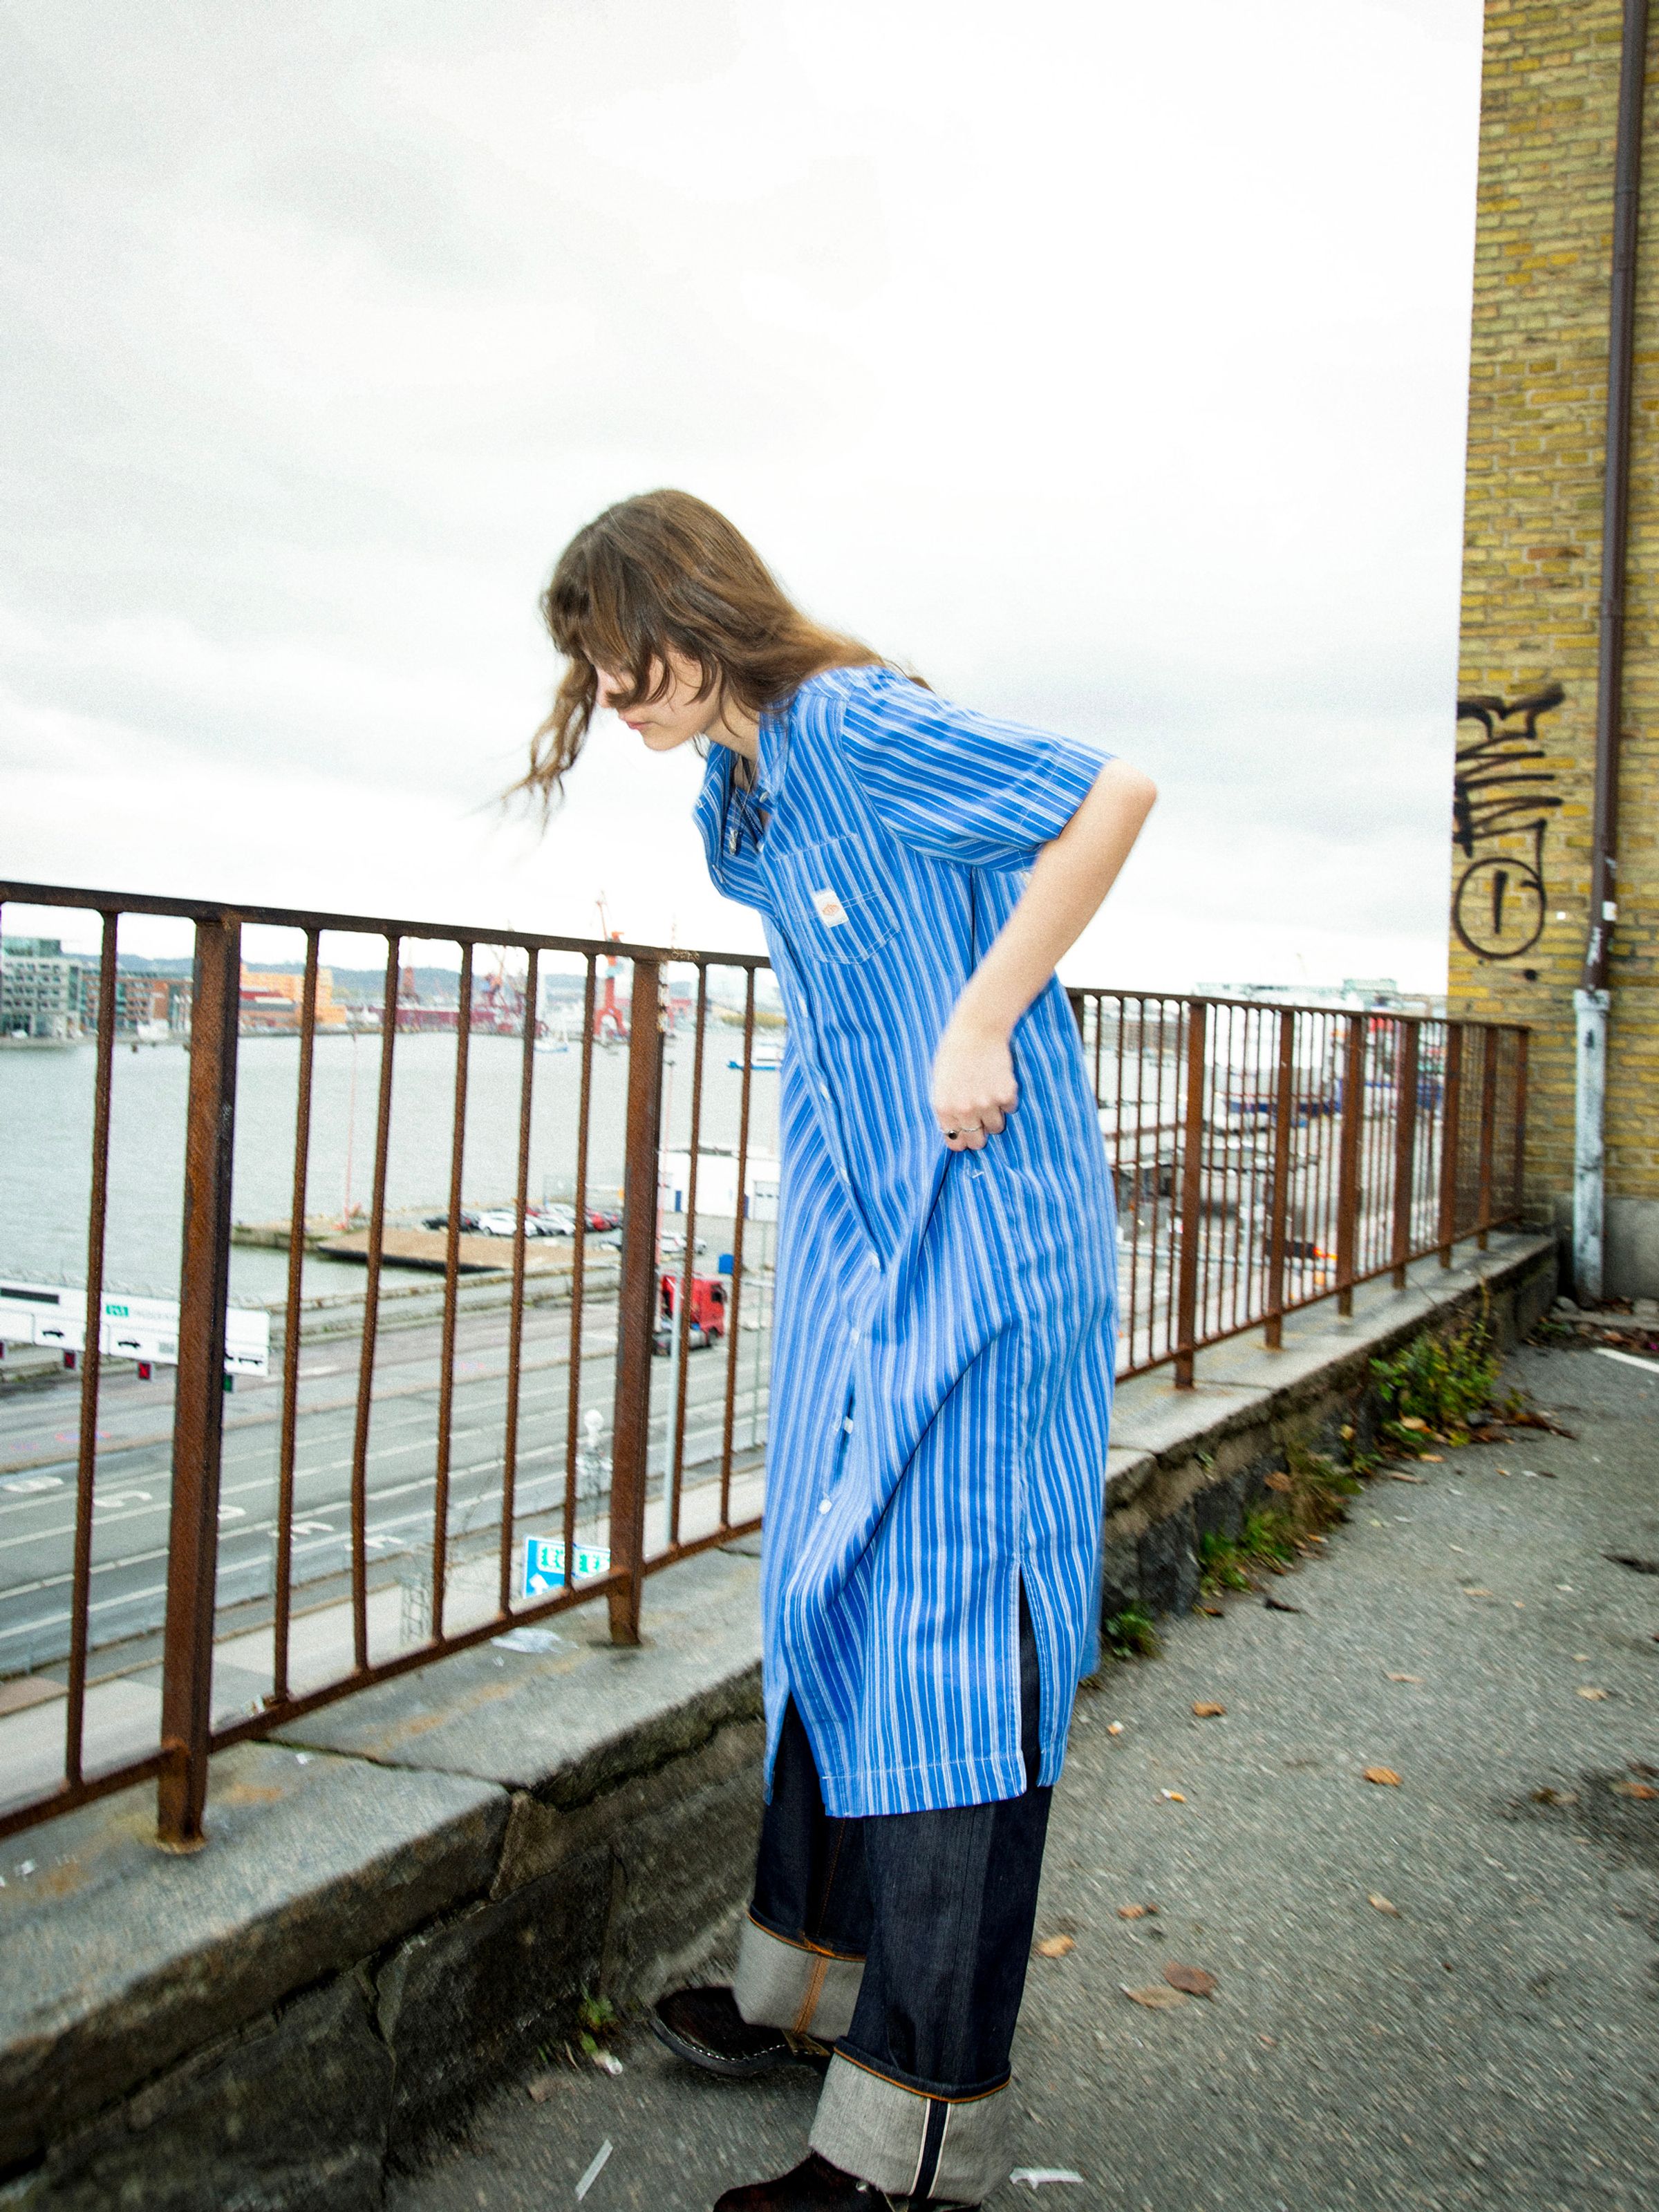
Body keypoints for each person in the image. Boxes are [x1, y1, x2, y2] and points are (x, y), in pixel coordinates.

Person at [523, 490, 1156, 2211]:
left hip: (988, 1231)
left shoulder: (858, 723)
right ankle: (798, 1987)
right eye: (586, 666)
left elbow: (1109, 798)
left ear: (691, 604)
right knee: (828, 1585)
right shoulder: (743, 795)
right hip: (866, 1247)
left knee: (957, 1647)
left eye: (615, 648)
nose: (607, 690)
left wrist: (980, 1013)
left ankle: (911, 2139)